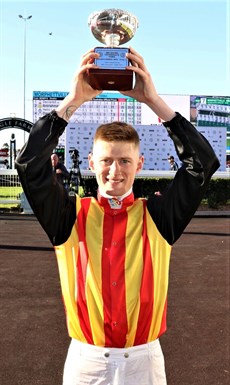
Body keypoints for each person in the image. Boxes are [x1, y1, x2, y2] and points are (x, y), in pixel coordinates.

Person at [15, 47, 219, 385]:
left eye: (125, 161)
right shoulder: (68, 215)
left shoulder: (158, 215)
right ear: (92, 163)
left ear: (139, 165)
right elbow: (30, 165)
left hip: (144, 361)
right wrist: (73, 101)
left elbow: (203, 164)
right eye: (107, 160)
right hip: (86, 361)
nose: (115, 170)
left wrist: (153, 101)